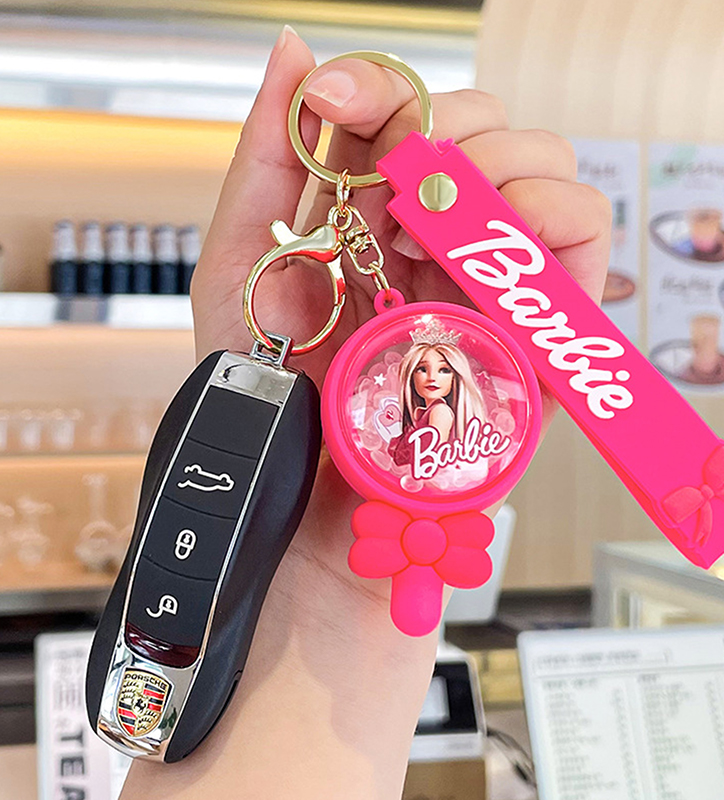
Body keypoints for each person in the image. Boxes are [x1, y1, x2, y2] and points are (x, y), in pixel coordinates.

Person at [120, 25, 610, 800]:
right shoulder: (361, 399)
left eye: (446, 370)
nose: (433, 378)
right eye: (426, 372)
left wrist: (342, 615)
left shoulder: (466, 414)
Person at [390, 324, 486, 467]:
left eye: (444, 370)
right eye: (422, 369)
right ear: (411, 376)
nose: (432, 378)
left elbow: (432, 463)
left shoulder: (440, 411)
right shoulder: (423, 413)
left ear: (455, 378)